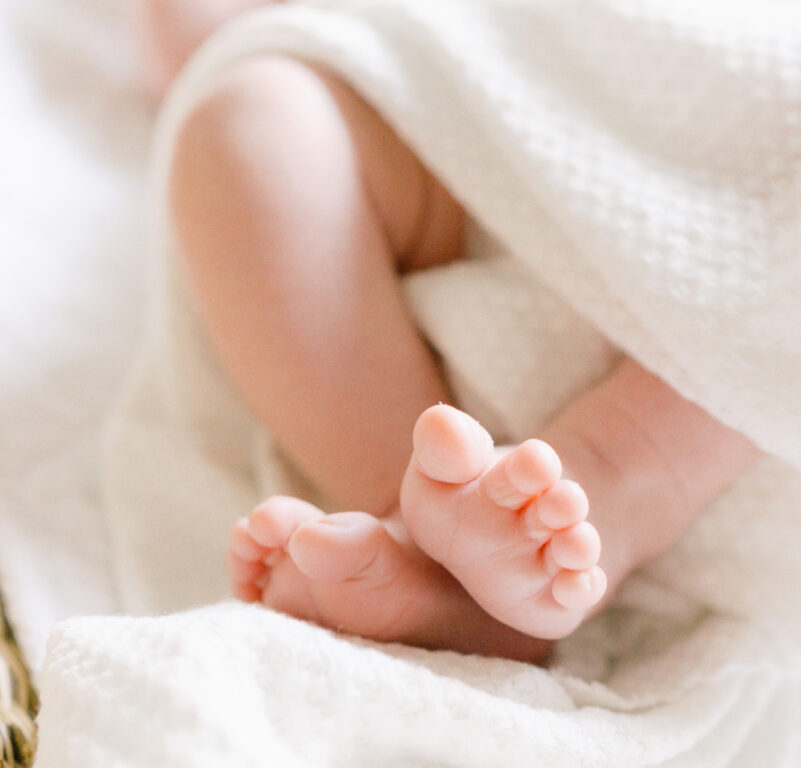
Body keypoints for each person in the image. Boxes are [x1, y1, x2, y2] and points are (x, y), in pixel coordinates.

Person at [140, 0, 761, 663]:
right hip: (458, 132)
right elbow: (193, 33)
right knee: (249, 121)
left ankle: (620, 474)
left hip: (730, 172)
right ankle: (420, 526)